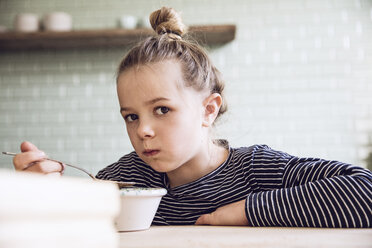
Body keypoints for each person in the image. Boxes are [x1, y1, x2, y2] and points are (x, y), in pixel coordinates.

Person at [12, 7, 371, 228]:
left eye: (162, 109)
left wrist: (246, 211)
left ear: (208, 109)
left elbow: (364, 191)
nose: (143, 131)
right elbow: (74, 224)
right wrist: (44, 194)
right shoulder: (124, 179)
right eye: (131, 117)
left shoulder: (257, 170)